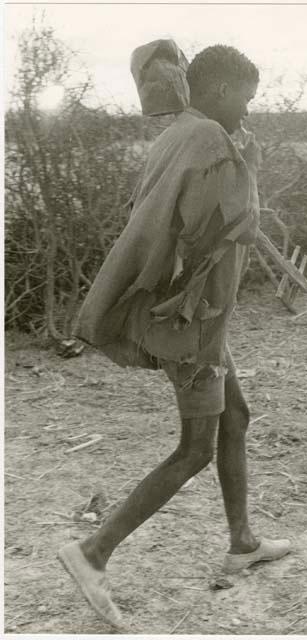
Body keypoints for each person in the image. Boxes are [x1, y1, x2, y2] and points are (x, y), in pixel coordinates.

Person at [58, 43, 291, 631]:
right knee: (194, 450)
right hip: (192, 324)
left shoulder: (185, 134)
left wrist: (246, 157)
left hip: (200, 317)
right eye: (245, 97)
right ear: (218, 91)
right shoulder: (210, 141)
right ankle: (92, 554)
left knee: (235, 418)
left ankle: (242, 543)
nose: (249, 108)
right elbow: (218, 229)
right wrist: (248, 165)